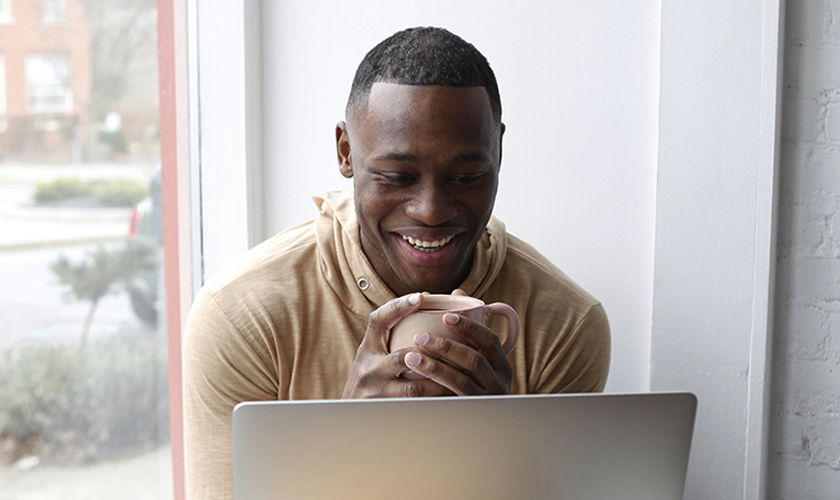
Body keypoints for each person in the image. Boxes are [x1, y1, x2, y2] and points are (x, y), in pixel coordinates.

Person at [183, 26, 610, 498]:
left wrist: (502, 444)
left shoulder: (565, 324)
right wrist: (343, 441)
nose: (431, 210)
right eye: (396, 176)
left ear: (499, 151)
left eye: (466, 176)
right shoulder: (242, 318)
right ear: (346, 151)